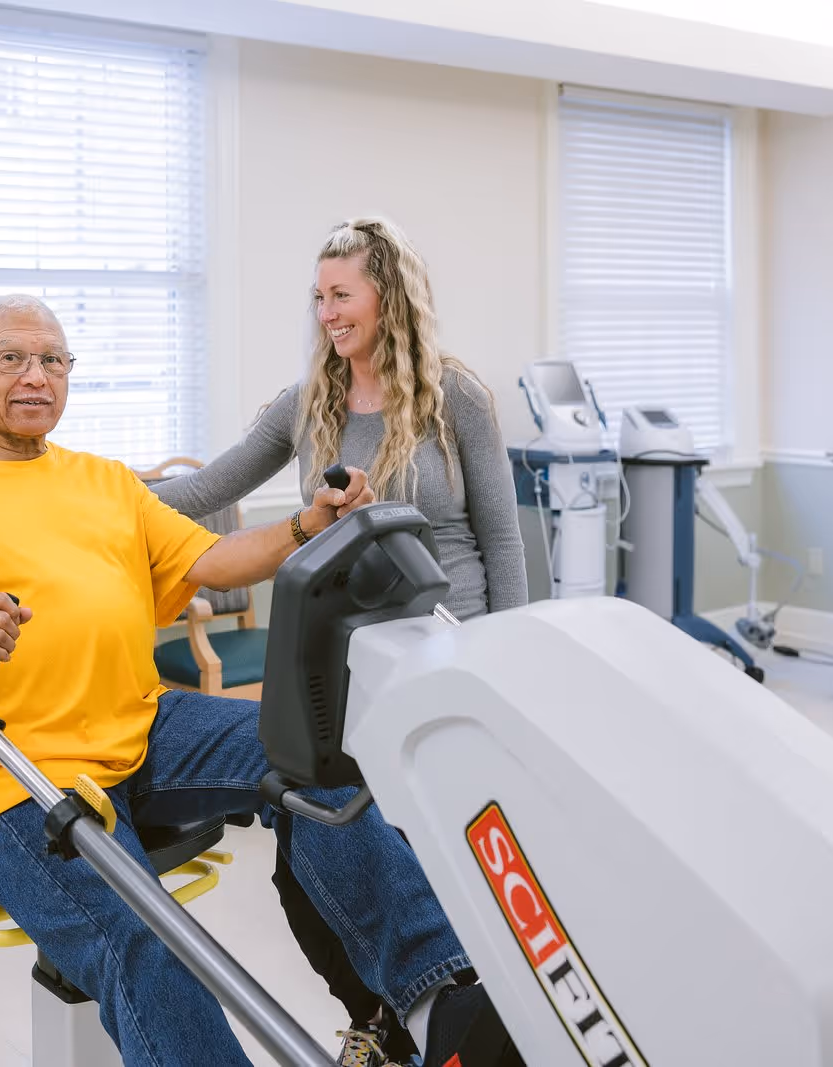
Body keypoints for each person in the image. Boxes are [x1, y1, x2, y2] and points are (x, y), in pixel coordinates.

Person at [0, 294, 520, 1067]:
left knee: (320, 758)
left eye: (53, 361)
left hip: (142, 724)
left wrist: (311, 523)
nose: (36, 377)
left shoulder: (104, 482)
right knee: (150, 940)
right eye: (12, 359)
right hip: (14, 775)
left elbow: (212, 561)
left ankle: (436, 1006)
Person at [150, 216, 528, 1064]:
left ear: (387, 296)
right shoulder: (305, 404)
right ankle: (386, 1021)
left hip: (449, 652)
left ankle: (466, 1022)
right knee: (315, 855)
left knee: (441, 858)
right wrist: (83, 489)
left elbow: (502, 540)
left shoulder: (454, 397)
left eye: (341, 294)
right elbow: (207, 487)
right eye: (318, 297)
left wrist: (507, 666)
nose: (326, 312)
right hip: (347, 665)